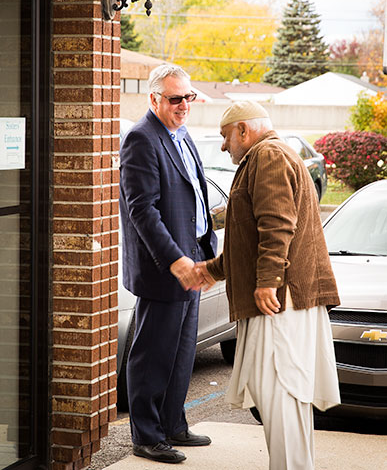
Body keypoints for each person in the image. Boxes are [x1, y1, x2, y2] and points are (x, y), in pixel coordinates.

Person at [197, 101, 341, 470]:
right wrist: (210, 270)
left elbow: (276, 226)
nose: (225, 146)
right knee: (281, 396)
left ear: (243, 129)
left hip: (280, 302)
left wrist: (267, 284)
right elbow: (250, 241)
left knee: (280, 393)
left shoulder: (269, 156)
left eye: (225, 136)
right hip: (284, 300)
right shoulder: (271, 154)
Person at [119, 63, 217, 464]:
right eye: (175, 98)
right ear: (154, 98)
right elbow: (142, 210)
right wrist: (177, 261)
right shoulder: (142, 139)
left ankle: (173, 423)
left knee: (181, 351)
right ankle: (146, 435)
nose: (183, 105)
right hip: (166, 267)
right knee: (152, 354)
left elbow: (195, 194)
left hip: (194, 256)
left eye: (188, 97)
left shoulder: (181, 134)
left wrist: (205, 251)